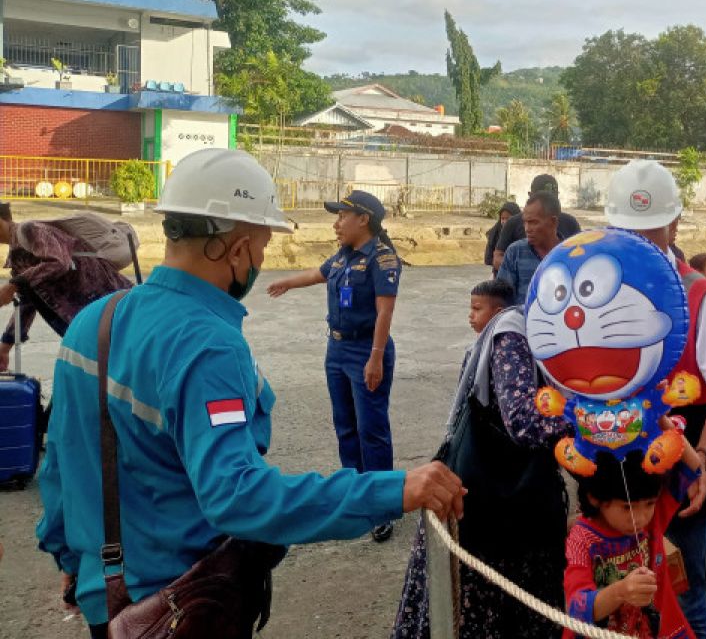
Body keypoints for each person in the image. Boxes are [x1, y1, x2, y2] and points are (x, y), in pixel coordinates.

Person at [35, 148, 464, 639]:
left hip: (105, 599)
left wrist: (74, 558)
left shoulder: (96, 319)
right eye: (260, 247)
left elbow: (59, 465)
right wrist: (394, 489)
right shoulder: (208, 345)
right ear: (235, 248)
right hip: (183, 606)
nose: (260, 261)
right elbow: (237, 497)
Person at [605, 160, 706, 639]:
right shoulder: (603, 295)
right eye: (627, 231)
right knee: (622, 582)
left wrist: (699, 460)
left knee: (683, 584)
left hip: (686, 465)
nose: (639, 242)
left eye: (650, 230)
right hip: (623, 459)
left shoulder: (699, 296)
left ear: (674, 225)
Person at [393, 278, 569, 639]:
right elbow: (521, 422)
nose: (471, 317)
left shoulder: (531, 333)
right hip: (497, 510)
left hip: (496, 500)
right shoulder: (511, 335)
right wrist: (592, 418)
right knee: (493, 606)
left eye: (476, 309)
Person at [267, 190, 402, 542]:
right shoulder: (343, 257)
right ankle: (353, 494)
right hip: (337, 349)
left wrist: (375, 357)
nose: (336, 223)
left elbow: (385, 311)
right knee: (345, 425)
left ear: (364, 220)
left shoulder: (382, 258)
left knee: (371, 429)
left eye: (342, 216)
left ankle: (383, 506)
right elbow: (317, 274)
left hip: (365, 350)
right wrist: (286, 282)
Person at [564, 435, 706, 639]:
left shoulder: (653, 516)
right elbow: (577, 608)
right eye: (627, 508)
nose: (639, 518)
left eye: (650, 503)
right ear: (594, 497)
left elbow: (693, 469)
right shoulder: (582, 539)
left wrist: (658, 417)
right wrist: (620, 591)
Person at [0, 202, 131, 372]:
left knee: (124, 366)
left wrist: (13, 285)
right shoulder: (17, 257)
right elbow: (28, 303)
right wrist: (5, 347)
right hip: (85, 324)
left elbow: (60, 262)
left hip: (111, 308)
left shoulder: (31, 230)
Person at [492, 174, 582, 270]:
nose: (528, 228)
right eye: (542, 198)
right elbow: (497, 258)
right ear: (530, 196)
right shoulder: (513, 223)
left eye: (551, 198)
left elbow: (581, 257)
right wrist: (523, 268)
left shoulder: (570, 223)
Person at [497, 192, 562, 304]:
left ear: (553, 222)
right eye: (525, 222)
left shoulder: (572, 254)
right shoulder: (515, 252)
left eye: (533, 222)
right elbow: (500, 299)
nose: (527, 229)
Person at [483, 201, 520, 268]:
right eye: (502, 218)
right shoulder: (495, 234)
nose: (505, 222)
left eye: (508, 218)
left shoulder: (523, 234)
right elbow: (488, 259)